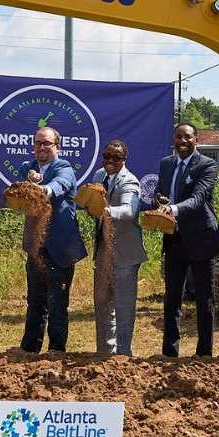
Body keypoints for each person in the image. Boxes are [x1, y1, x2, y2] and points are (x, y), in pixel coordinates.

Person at [153, 123, 219, 357]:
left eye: (187, 137)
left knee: (204, 300)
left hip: (202, 239)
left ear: (196, 140)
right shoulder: (166, 164)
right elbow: (160, 193)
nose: (182, 141)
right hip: (173, 239)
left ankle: (204, 354)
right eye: (178, 137)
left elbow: (197, 199)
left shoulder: (207, 165)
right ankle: (169, 354)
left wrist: (171, 208)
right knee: (172, 298)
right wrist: (159, 200)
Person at [19, 126, 87, 353]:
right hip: (36, 246)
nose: (41, 147)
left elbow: (60, 184)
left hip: (60, 248)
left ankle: (56, 352)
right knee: (35, 302)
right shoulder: (27, 168)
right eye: (38, 143)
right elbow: (21, 187)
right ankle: (29, 350)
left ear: (58, 146)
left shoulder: (64, 167)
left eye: (47, 143)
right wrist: (30, 182)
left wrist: (43, 189)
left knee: (57, 303)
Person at [86, 139, 144, 356]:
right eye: (107, 156)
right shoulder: (99, 177)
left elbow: (129, 212)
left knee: (123, 307)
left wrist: (105, 211)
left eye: (116, 158)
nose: (110, 161)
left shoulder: (131, 182)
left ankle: (123, 355)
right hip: (104, 250)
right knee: (102, 304)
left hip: (126, 254)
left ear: (124, 160)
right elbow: (92, 204)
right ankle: (104, 353)